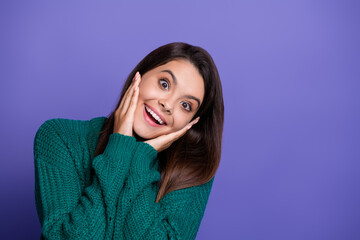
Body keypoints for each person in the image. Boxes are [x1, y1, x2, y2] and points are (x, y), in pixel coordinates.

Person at [33, 42, 224, 239]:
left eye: (185, 105)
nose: (167, 105)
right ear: (139, 76)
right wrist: (120, 148)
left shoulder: (194, 171)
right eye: (164, 84)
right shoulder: (61, 137)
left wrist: (141, 158)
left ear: (192, 123)